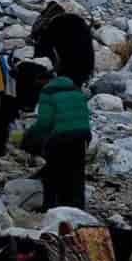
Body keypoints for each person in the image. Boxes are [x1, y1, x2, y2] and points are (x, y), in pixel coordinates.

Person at [24, 69, 92, 210]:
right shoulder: (75, 89)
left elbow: (44, 122)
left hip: (61, 136)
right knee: (76, 172)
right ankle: (77, 207)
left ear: (43, 81)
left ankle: (50, 205)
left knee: (53, 171)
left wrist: (30, 135)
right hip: (82, 134)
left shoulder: (48, 92)